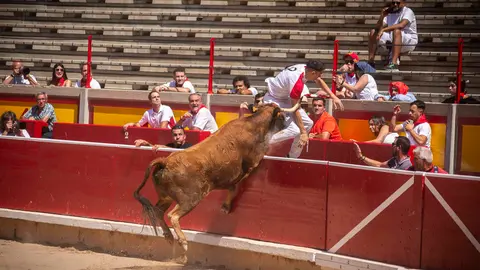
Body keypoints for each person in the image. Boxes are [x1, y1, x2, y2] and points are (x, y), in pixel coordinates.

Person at [264, 60, 342, 158]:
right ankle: (263, 142)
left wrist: (333, 96)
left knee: (308, 123)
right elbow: (295, 108)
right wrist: (303, 133)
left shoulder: (305, 68)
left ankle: (292, 156)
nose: (320, 76)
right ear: (313, 72)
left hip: (284, 97)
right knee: (295, 130)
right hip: (274, 99)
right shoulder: (297, 82)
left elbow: (318, 80)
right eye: (319, 74)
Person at [368, 0, 417, 71]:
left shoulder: (408, 11)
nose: (395, 4)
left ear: (403, 3)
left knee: (396, 31)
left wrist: (384, 30)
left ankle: (394, 64)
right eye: (393, 2)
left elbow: (401, 25)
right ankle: (371, 61)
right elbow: (378, 28)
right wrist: (382, 16)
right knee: (373, 32)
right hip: (392, 37)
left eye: (398, 3)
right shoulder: (389, 12)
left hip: (409, 40)